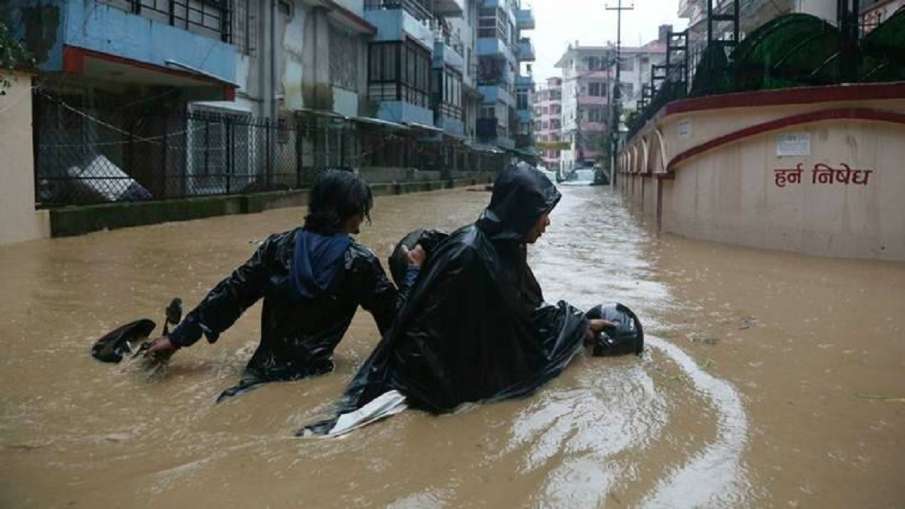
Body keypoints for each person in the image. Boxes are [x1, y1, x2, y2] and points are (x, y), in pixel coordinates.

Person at [305, 164, 638, 434]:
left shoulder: (509, 248)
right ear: (521, 212)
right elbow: (421, 326)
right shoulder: (468, 253)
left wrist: (577, 325)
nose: (547, 222)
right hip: (423, 381)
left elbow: (526, 313)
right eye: (543, 212)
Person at [144, 170, 425, 401]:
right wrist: (413, 272)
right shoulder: (359, 262)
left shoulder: (277, 247)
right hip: (312, 382)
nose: (363, 218)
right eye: (362, 211)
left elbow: (231, 294)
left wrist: (177, 339)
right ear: (350, 214)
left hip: (256, 375)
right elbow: (396, 324)